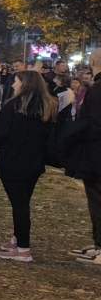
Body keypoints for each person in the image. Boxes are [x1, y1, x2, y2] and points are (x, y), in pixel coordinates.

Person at [0, 71, 57, 263]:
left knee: (19, 205)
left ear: (24, 85)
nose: (12, 85)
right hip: (34, 163)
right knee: (22, 202)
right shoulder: (48, 107)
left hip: (12, 162)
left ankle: (23, 249)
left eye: (16, 82)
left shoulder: (13, 106)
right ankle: (18, 238)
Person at [58, 68, 101, 266]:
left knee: (97, 200)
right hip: (92, 155)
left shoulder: (96, 91)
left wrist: (71, 135)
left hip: (94, 156)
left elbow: (91, 124)